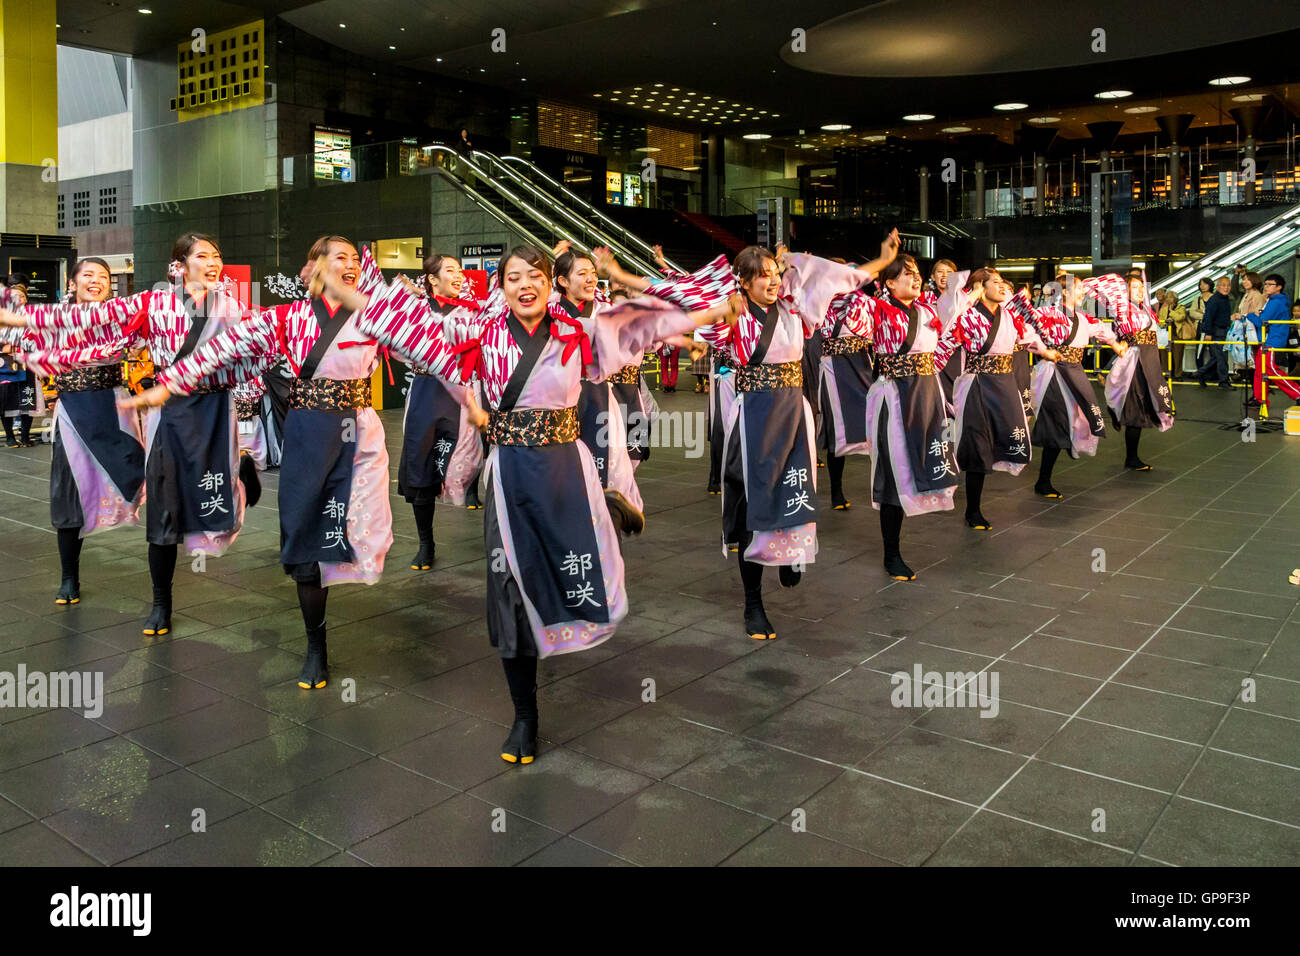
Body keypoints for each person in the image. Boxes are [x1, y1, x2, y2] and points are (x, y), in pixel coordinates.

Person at [342, 243, 740, 763]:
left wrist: (709, 311)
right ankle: (524, 715)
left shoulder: (579, 333)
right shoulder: (478, 331)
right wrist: (352, 284)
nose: (525, 285)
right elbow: (412, 321)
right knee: (508, 587)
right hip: (510, 476)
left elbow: (644, 324)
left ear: (550, 284)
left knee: (566, 572)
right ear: (500, 287)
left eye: (535, 275)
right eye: (513, 278)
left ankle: (594, 548)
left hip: (565, 472)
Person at [126, 236, 404, 690]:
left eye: (356, 260)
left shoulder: (376, 316)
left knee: (353, 528)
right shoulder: (284, 317)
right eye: (339, 259)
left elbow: (441, 341)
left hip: (356, 434)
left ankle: (318, 641)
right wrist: (167, 382)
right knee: (297, 535)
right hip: (292, 429)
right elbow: (226, 351)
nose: (351, 266)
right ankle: (313, 645)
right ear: (311, 269)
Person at [0, 233, 260, 636]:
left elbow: (259, 345)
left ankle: (236, 473)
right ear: (179, 264)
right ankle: (150, 598)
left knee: (204, 489)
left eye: (217, 255)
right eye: (87, 274)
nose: (95, 281)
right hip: (111, 410)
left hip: (184, 409)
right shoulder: (150, 305)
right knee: (91, 493)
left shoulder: (231, 309)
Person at [0, 258, 144, 606]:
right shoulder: (53, 320)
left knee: (144, 475)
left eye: (104, 277)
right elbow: (11, 330)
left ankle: (163, 583)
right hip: (73, 412)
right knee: (69, 490)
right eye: (89, 275)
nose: (97, 281)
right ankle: (69, 575)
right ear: (73, 283)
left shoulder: (122, 316)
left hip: (114, 407)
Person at [951, 269, 1061, 530]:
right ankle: (973, 510)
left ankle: (976, 502)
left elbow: (1029, 338)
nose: (1002, 287)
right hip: (977, 383)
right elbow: (947, 332)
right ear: (980, 286)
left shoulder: (1011, 316)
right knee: (977, 443)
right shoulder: (966, 314)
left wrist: (1046, 351)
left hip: (1004, 383)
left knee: (1008, 435)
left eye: (1003, 283)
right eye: (996, 283)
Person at [397, 253, 485, 569]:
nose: (459, 276)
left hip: (461, 390)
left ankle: (474, 494)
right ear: (433, 279)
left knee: (468, 455)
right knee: (421, 465)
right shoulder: (416, 309)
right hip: (426, 390)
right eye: (450, 271)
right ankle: (425, 542)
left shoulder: (471, 311)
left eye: (460, 271)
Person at [1015, 275, 1121, 497]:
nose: (1083, 293)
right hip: (1055, 373)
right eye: (1079, 288)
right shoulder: (1049, 314)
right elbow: (1027, 329)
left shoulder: (1082, 318)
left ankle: (1062, 451)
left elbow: (1102, 330)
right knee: (1057, 421)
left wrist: (1116, 344)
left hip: (1074, 372)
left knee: (1076, 418)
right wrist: (1042, 349)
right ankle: (1043, 480)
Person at [1091, 272, 1174, 471]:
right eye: (1133, 288)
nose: (1139, 291)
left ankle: (1132, 457)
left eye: (1140, 288)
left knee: (1145, 408)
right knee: (1135, 412)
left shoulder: (1146, 309)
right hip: (1133, 366)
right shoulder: (1122, 309)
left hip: (1149, 365)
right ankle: (1131, 457)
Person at [0, 276, 43, 447]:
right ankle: (10, 437)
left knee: (27, 398)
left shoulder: (32, 319)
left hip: (28, 364)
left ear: (25, 299)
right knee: (6, 401)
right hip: (6, 365)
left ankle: (25, 436)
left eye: (22, 297)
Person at [1246, 275, 1300, 407]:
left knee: (1271, 370)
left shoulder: (1276, 302)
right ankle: (1260, 398)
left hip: (1273, 341)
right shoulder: (1274, 300)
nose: (1266, 286)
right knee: (1260, 369)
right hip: (1270, 339)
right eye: (1265, 284)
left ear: (1279, 287)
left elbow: (1261, 321)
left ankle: (1297, 393)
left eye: (1270, 284)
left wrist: (1250, 315)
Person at [920, 259, 961, 402]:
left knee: (956, 394)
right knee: (934, 393)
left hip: (955, 351)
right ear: (933, 276)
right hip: (932, 353)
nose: (944, 276)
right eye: (940, 272)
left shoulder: (963, 299)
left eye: (949, 272)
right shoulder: (924, 299)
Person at [1196, 276, 1233, 387]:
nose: (1226, 288)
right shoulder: (1215, 300)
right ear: (1217, 287)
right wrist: (1208, 333)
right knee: (1221, 357)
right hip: (1216, 331)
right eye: (1223, 285)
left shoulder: (1224, 298)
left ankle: (1201, 373)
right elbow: (1208, 317)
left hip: (1222, 331)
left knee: (1217, 357)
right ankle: (1223, 381)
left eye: (1228, 285)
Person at [1158, 289, 1192, 380]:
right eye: (1167, 297)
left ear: (1176, 299)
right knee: (1164, 354)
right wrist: (1165, 322)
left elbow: (1180, 317)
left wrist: (1171, 312)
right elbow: (1160, 322)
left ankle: (1178, 375)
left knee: (1178, 355)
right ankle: (1165, 373)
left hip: (1177, 334)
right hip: (1165, 334)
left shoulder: (1181, 307)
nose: (1168, 298)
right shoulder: (1163, 309)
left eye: (1170, 296)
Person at [1187, 277, 1213, 377]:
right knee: (1199, 351)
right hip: (1200, 326)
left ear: (1210, 285)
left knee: (1213, 351)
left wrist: (1203, 314)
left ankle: (1211, 373)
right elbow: (1192, 313)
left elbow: (1215, 313)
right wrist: (1206, 316)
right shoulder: (1197, 299)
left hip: (1211, 327)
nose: (1202, 286)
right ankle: (1200, 373)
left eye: (1205, 284)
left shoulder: (1214, 297)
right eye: (1200, 284)